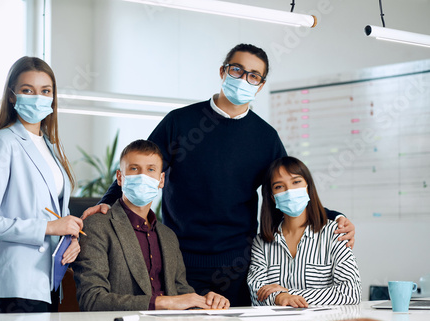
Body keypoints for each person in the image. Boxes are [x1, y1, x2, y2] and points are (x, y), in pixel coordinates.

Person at [82, 44, 355, 306]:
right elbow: (143, 167)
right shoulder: (179, 122)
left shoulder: (265, 137)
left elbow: (288, 187)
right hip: (177, 259)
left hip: (236, 264)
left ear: (260, 85)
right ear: (223, 71)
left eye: (253, 75)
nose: (243, 79)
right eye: (237, 70)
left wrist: (334, 217)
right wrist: (104, 202)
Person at [0, 56, 84, 313]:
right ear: (12, 95)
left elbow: (53, 213)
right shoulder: (3, 143)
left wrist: (69, 237)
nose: (38, 97)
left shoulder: (50, 147)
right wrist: (49, 227)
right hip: (18, 280)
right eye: (27, 90)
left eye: (45, 91)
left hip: (49, 280)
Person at [73, 140, 229, 311]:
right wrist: (161, 302)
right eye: (134, 169)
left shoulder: (168, 236)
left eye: (151, 170)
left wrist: (205, 301)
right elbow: (92, 299)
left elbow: (182, 293)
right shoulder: (97, 226)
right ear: (119, 177)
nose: (142, 176)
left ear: (161, 180)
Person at [247, 156, 361, 307]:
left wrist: (286, 295)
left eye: (296, 182)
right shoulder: (261, 242)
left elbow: (351, 293)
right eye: (279, 186)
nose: (289, 191)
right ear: (273, 197)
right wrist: (280, 297)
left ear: (308, 186)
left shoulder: (334, 233)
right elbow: (256, 294)